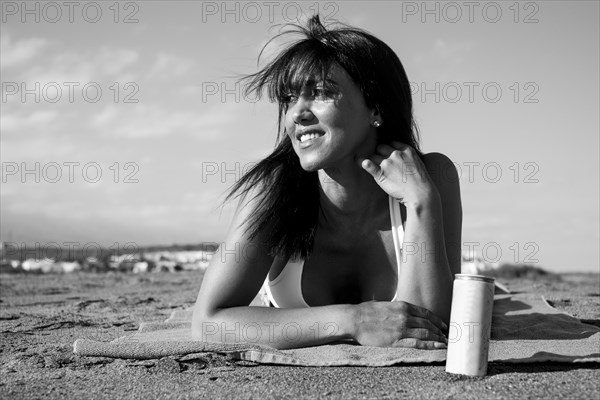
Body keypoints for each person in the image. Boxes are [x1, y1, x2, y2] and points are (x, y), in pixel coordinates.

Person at [192, 15, 462, 350]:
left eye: (320, 93)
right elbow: (209, 321)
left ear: (375, 107)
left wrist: (421, 203)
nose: (296, 114)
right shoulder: (273, 189)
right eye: (289, 98)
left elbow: (431, 329)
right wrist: (354, 320)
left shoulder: (431, 176)